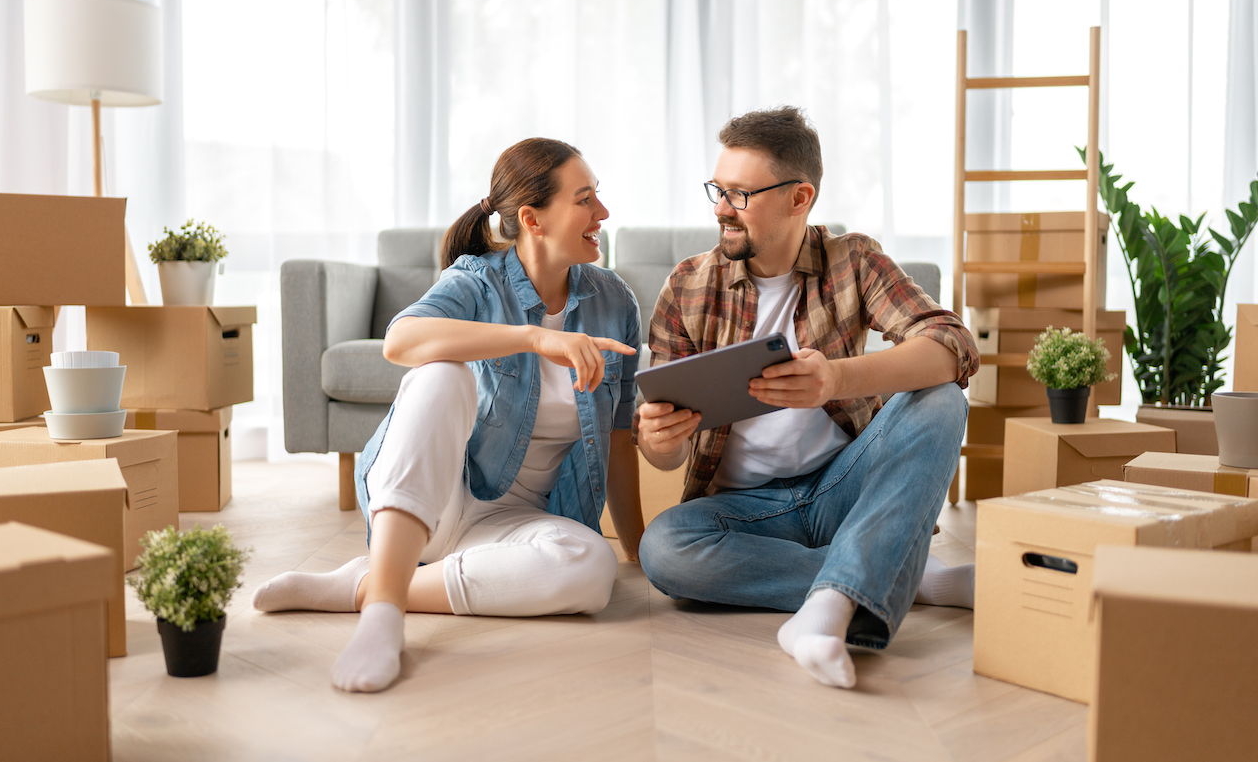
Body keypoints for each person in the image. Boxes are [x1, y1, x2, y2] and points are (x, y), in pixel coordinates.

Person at [252, 138, 645, 693]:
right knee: (442, 373)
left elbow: (618, 433)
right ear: (533, 218)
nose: (601, 213)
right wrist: (534, 338)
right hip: (434, 504)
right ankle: (382, 617)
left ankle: (363, 587)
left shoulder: (614, 301)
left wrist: (635, 549)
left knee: (592, 570)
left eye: (597, 196)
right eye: (585, 199)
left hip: (517, 526)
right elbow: (401, 340)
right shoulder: (477, 279)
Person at [635, 107, 979, 689]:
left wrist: (837, 379)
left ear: (800, 198)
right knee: (665, 550)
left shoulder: (854, 260)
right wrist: (659, 442)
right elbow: (664, 457)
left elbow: (952, 345)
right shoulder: (688, 285)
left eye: (740, 194)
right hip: (745, 514)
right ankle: (896, 570)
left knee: (942, 399)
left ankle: (825, 610)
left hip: (843, 488)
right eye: (719, 189)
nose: (721, 207)